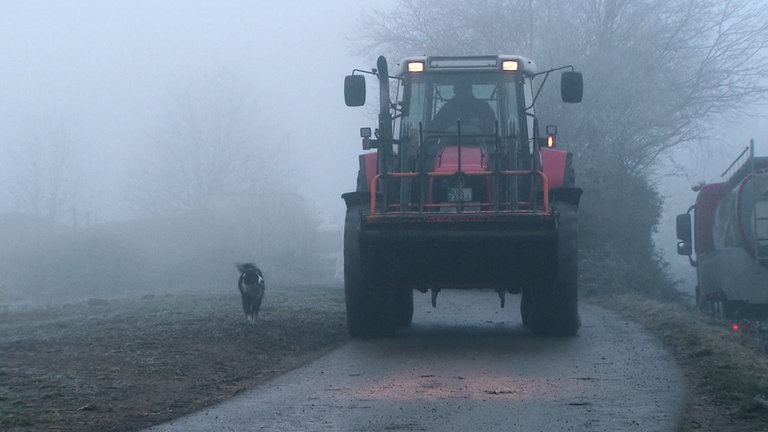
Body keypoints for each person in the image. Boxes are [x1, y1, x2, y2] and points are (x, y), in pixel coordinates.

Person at [431, 82, 496, 132]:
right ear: (455, 91)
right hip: (450, 144)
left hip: (482, 145)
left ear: (470, 90)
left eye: (464, 89)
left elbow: (492, 124)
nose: (462, 92)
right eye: (459, 89)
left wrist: (481, 123)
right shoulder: (447, 109)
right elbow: (434, 126)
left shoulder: (483, 107)